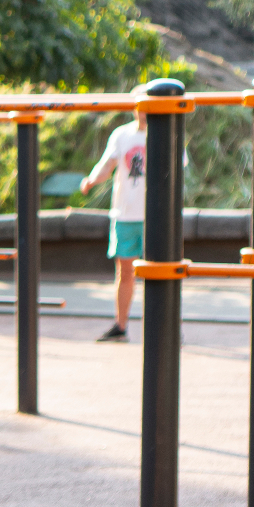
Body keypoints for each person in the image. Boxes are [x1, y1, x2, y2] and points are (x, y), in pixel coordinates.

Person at [82, 108, 148, 342]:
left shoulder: (169, 132)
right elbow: (107, 165)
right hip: (126, 213)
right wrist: (91, 180)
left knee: (160, 272)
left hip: (154, 216)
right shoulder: (122, 135)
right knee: (125, 271)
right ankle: (121, 325)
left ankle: (167, 325)